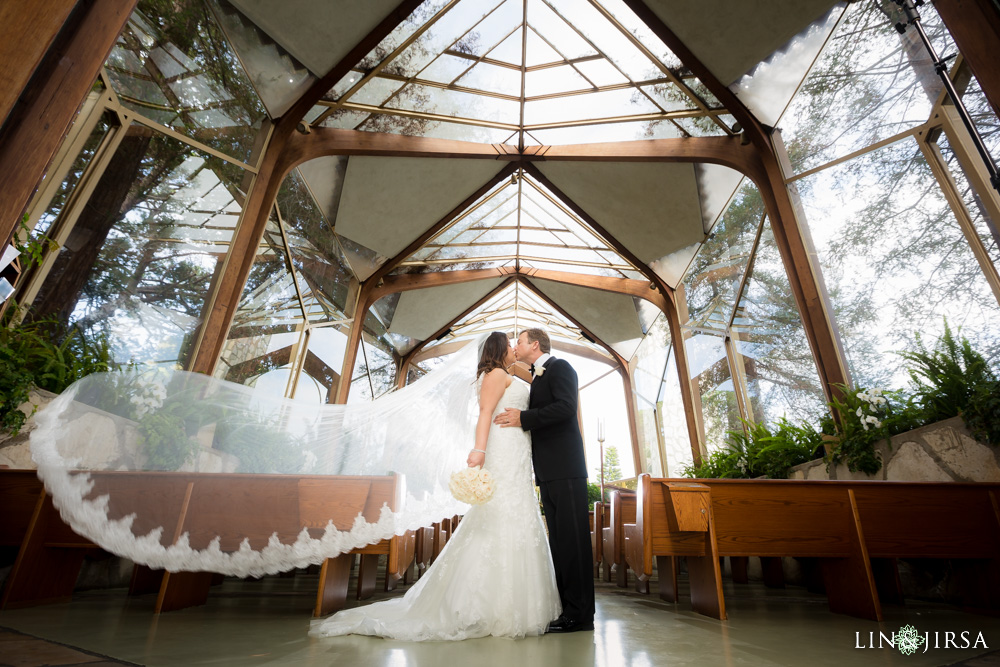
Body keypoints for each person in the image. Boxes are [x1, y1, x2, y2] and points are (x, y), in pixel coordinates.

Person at [310, 332, 561, 641]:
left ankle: (515, 601)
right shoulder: (496, 374)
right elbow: (485, 413)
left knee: (515, 513)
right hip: (503, 450)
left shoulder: (506, 374)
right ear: (498, 349)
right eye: (509, 344)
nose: (513, 348)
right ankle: (483, 605)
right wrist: (479, 450)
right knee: (499, 515)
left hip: (518, 452)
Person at [494, 328, 595, 633]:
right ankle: (568, 610)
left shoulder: (560, 367)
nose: (516, 345)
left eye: (520, 341)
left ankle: (581, 616)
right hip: (548, 472)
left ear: (534, 345)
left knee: (574, 543)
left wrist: (524, 419)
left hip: (566, 468)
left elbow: (566, 408)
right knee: (560, 541)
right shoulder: (536, 377)